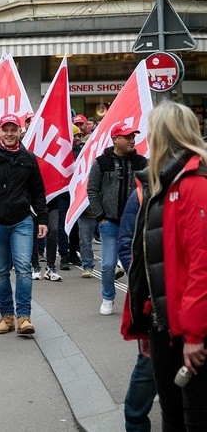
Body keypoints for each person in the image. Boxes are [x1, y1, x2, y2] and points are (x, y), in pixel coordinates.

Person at [123, 102, 207, 428]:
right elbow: (148, 262)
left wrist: (196, 334)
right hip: (165, 325)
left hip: (188, 329)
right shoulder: (161, 184)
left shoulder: (194, 184)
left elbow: (201, 264)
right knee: (172, 415)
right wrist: (146, 323)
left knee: (193, 419)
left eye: (151, 130)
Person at [0, 114, 48, 336]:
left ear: (20, 131)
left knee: (24, 268)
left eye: (13, 129)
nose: (9, 133)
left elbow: (38, 191)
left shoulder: (28, 158)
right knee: (1, 271)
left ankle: (24, 317)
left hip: (22, 220)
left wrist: (42, 219)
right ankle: (6, 317)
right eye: (5, 129)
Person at [87, 122, 147, 316]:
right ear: (115, 139)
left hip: (135, 224)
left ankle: (139, 300)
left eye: (133, 137)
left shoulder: (141, 162)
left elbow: (150, 188)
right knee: (108, 264)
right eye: (127, 137)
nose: (132, 140)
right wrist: (100, 217)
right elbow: (92, 190)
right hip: (109, 223)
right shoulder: (101, 162)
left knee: (135, 264)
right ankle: (108, 297)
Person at [118, 169, 156, 432]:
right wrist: (145, 290)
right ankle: (135, 420)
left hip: (192, 298)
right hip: (155, 302)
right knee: (149, 365)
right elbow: (127, 244)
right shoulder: (143, 192)